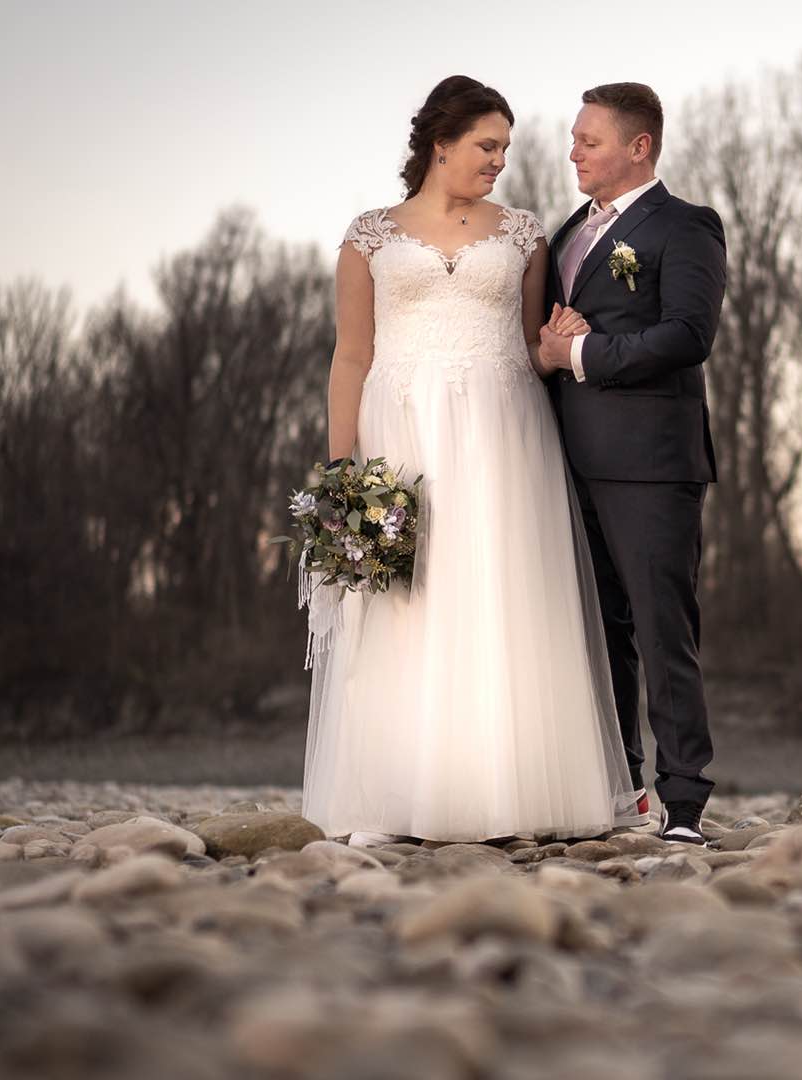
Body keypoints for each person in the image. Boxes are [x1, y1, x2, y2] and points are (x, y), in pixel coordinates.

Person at [301, 75, 638, 846]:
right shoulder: (369, 236)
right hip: (401, 428)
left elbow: (528, 345)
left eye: (506, 149)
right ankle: (395, 797)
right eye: (487, 146)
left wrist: (561, 346)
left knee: (498, 593)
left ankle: (508, 792)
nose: (499, 162)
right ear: (440, 142)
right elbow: (350, 357)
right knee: (405, 604)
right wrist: (343, 473)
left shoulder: (523, 233)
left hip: (502, 428)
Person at [537, 82, 727, 846]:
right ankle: (623, 787)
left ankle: (683, 801)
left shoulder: (685, 227)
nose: (573, 151)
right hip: (568, 462)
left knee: (660, 629)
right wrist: (551, 351)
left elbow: (686, 334)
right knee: (599, 631)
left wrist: (580, 351)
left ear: (638, 146)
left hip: (652, 465)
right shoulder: (567, 235)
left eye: (589, 139)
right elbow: (545, 335)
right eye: (574, 139)